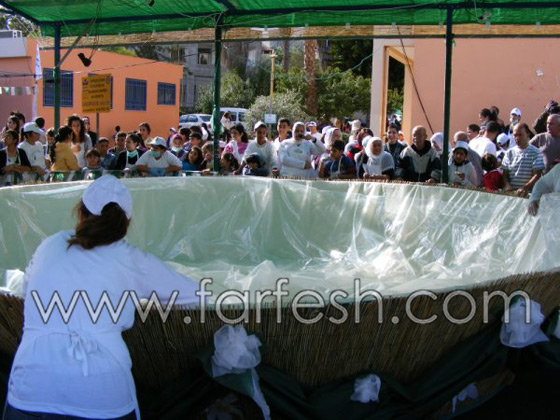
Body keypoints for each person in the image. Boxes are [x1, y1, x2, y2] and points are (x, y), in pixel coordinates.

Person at [3, 175, 200, 420]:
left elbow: (28, 289)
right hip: (101, 392)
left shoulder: (50, 246)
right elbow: (195, 295)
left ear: (80, 212)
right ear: (126, 222)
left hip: (32, 385)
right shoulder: (132, 259)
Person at [502, 123, 545, 196]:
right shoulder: (509, 153)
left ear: (527, 134)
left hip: (528, 194)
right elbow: (505, 174)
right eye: (515, 135)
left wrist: (525, 187)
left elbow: (537, 174)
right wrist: (507, 185)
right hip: (512, 194)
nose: (517, 138)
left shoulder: (536, 152)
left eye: (520, 135)